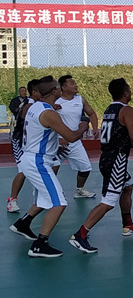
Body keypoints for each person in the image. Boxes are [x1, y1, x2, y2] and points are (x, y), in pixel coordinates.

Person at [9, 76, 89, 258]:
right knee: (59, 203)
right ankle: (39, 244)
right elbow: (71, 137)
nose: (60, 88)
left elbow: (40, 133)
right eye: (58, 86)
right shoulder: (49, 113)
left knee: (45, 198)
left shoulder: (35, 107)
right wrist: (83, 127)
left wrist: (54, 147)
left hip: (32, 158)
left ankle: (23, 224)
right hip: (38, 162)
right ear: (54, 91)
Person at [69, 78, 133, 254]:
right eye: (129, 89)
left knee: (128, 185)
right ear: (125, 93)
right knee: (108, 202)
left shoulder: (109, 109)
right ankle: (80, 235)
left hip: (106, 158)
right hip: (116, 162)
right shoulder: (127, 110)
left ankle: (127, 223)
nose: (130, 91)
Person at [55, 75, 101, 198]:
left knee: (85, 168)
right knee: (53, 168)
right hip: (58, 142)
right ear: (63, 87)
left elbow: (92, 114)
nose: (76, 85)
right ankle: (49, 193)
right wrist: (57, 139)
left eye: (75, 82)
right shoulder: (56, 102)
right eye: (72, 83)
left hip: (75, 141)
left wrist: (95, 128)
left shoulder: (80, 100)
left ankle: (80, 190)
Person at [7, 79, 41, 213]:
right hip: (20, 142)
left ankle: (39, 199)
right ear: (35, 92)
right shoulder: (27, 105)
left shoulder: (40, 104)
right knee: (23, 171)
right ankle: (12, 200)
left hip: (33, 143)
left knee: (40, 169)